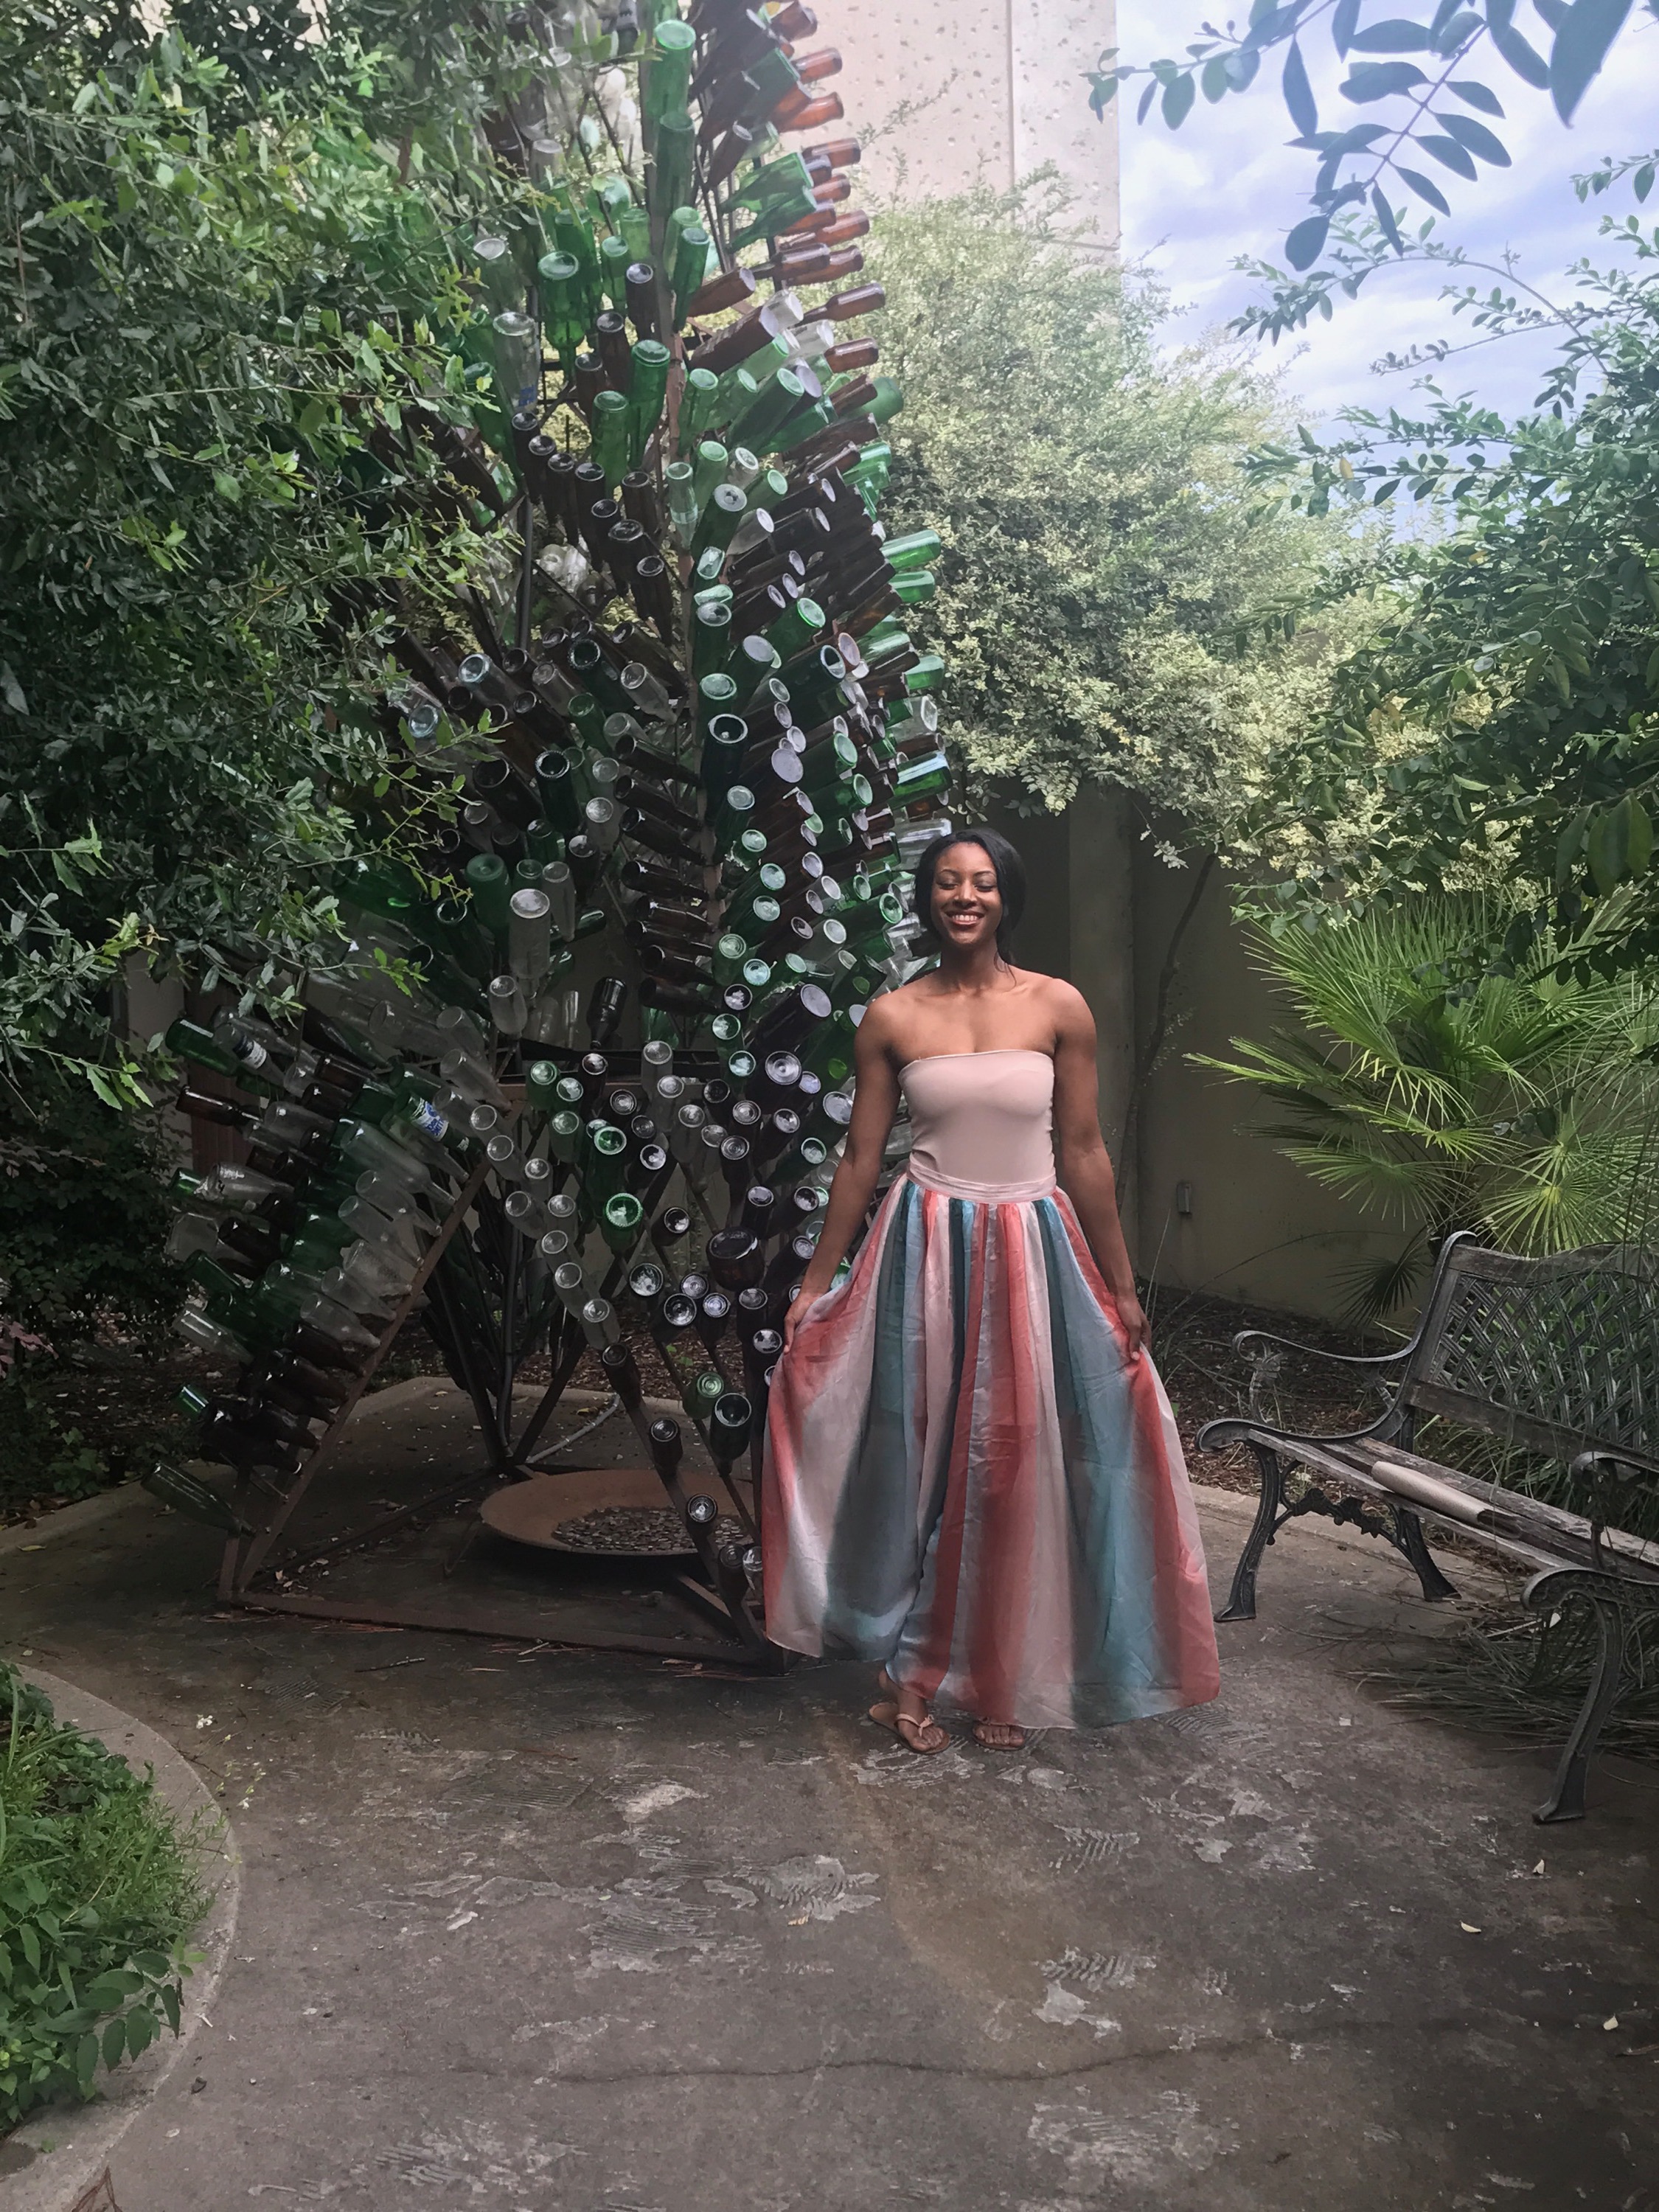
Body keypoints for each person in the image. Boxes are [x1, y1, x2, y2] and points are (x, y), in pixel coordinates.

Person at [762, 829, 1220, 1752]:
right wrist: (817, 1283)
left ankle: (996, 1671)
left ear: (1006, 897)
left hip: (1032, 1252)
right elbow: (860, 1160)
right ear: (927, 899)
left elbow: (1083, 1152)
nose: (963, 897)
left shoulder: (1058, 1006)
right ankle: (912, 1678)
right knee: (921, 1463)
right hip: (923, 1251)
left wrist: (1122, 1286)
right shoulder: (893, 1016)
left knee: (1013, 1467)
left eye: (980, 883)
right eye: (946, 883)